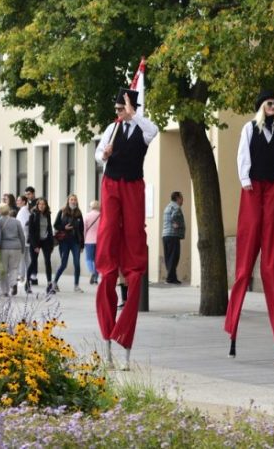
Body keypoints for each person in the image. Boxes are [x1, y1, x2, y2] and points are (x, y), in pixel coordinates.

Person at [224, 90, 274, 366]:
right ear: (261, 106)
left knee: (269, 265)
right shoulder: (249, 128)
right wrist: (244, 179)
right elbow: (242, 155)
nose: (273, 106)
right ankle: (232, 331)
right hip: (253, 188)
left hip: (272, 189)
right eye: (269, 103)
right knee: (245, 265)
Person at [94, 88, 159, 370]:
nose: (118, 113)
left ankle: (125, 340)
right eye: (118, 109)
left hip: (133, 186)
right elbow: (99, 154)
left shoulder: (142, 128)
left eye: (122, 109)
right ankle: (108, 336)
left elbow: (153, 131)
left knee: (134, 237)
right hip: (112, 184)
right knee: (108, 233)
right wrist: (104, 154)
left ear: (131, 108)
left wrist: (134, 115)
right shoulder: (111, 129)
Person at [53, 194, 85, 293]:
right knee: (63, 264)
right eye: (71, 199)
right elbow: (55, 225)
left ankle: (76, 286)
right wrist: (64, 228)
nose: (73, 201)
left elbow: (81, 229)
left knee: (77, 264)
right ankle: (54, 282)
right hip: (64, 241)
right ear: (68, 201)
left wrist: (82, 245)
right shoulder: (62, 211)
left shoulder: (79, 213)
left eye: (75, 200)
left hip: (75, 242)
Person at [0, 203, 27, 296]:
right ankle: (13, 283)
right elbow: (22, 236)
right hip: (16, 247)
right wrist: (23, 248)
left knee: (3, 269)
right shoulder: (16, 222)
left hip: (3, 248)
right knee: (14, 268)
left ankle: (4, 291)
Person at [27, 198, 55, 288]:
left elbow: (49, 228)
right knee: (33, 262)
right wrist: (35, 246)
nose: (41, 206)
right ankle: (27, 283)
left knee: (48, 261)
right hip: (35, 241)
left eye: (43, 204)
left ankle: (49, 284)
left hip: (46, 240)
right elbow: (30, 232)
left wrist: (51, 244)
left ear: (46, 206)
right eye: (40, 204)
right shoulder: (33, 215)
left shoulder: (48, 215)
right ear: (37, 205)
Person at [162, 191, 185, 284]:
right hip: (173, 235)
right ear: (177, 198)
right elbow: (174, 216)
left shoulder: (167, 207)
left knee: (169, 257)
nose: (183, 200)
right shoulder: (176, 207)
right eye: (181, 198)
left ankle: (172, 277)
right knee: (174, 257)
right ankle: (170, 278)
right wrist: (175, 223)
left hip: (165, 235)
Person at [15, 194, 33, 290]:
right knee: (26, 259)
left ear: (24, 202)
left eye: (19, 200)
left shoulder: (22, 212)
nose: (17, 202)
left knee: (22, 259)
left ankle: (22, 278)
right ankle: (26, 277)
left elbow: (21, 226)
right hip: (26, 239)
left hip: (23, 239)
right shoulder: (25, 211)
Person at [84, 201, 101, 285]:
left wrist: (83, 240)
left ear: (90, 207)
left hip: (89, 241)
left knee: (89, 259)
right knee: (97, 260)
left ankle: (92, 272)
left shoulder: (87, 216)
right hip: (100, 241)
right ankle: (95, 279)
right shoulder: (102, 216)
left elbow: (84, 229)